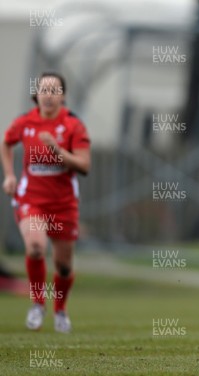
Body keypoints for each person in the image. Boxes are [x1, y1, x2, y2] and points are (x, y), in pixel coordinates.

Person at [1, 72, 91, 333]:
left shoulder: (73, 125)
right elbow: (6, 144)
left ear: (63, 96)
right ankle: (38, 304)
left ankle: (60, 310)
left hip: (63, 204)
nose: (48, 95)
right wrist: (9, 175)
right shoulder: (25, 122)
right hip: (32, 201)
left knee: (63, 265)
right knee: (37, 247)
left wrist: (58, 152)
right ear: (36, 94)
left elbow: (84, 165)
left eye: (54, 90)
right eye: (44, 89)